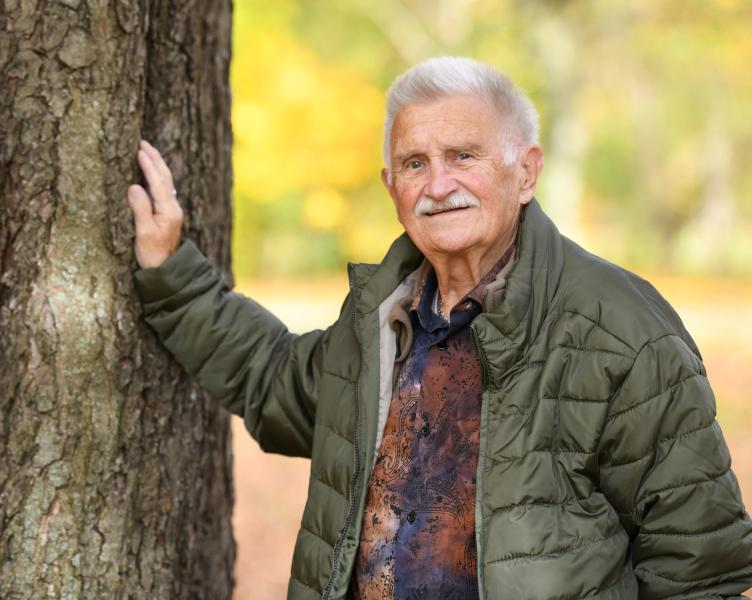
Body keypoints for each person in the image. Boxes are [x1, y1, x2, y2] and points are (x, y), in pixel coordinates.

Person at [127, 57, 752, 599]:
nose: (439, 185)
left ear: (526, 172)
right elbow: (270, 377)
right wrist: (171, 270)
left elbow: (700, 568)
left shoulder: (622, 332)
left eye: (463, 156)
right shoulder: (380, 319)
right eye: (414, 163)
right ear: (390, 187)